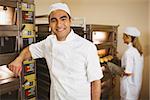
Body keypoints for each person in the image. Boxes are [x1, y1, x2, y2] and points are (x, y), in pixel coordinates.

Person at [8, 2, 103, 100]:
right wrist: (19, 59)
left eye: (63, 19)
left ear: (70, 21)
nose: (59, 24)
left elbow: (96, 81)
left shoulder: (87, 47)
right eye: (54, 20)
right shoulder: (49, 42)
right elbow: (30, 50)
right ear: (49, 24)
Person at [120, 27, 144, 100]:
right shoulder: (138, 51)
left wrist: (114, 69)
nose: (122, 38)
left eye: (124, 36)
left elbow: (128, 72)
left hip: (129, 86)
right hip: (135, 84)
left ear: (129, 37)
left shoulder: (129, 52)